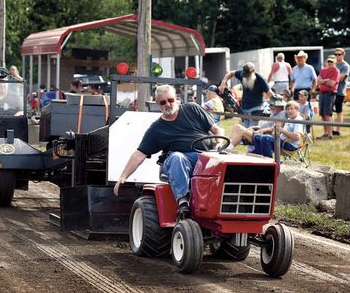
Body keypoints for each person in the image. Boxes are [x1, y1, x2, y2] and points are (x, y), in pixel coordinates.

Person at [113, 84, 225, 219]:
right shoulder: (156, 129)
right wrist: (123, 176)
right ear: (157, 104)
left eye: (170, 100)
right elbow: (139, 154)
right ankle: (183, 202)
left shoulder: (192, 109)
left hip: (206, 157)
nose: (167, 104)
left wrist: (219, 144)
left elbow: (218, 130)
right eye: (163, 102)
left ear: (176, 98)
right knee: (177, 157)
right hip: (179, 161)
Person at [219, 62, 275, 128]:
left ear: (253, 71)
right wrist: (223, 83)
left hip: (256, 108)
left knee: (251, 131)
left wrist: (275, 102)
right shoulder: (242, 74)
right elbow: (231, 73)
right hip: (244, 109)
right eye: (245, 75)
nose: (246, 77)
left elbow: (270, 93)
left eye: (248, 75)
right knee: (244, 130)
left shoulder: (260, 80)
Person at [316, 54, 340, 140]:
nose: (329, 63)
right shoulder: (323, 70)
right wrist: (326, 80)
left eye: (331, 61)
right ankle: (325, 133)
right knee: (322, 114)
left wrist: (323, 81)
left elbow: (332, 83)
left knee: (328, 114)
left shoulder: (336, 71)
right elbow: (317, 80)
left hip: (330, 94)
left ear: (335, 62)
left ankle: (330, 134)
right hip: (322, 93)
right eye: (328, 61)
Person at [333, 48, 349, 136]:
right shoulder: (333, 64)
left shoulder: (345, 66)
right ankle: (331, 129)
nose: (337, 56)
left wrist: (330, 79)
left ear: (343, 55)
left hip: (340, 92)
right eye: (336, 54)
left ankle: (337, 130)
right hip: (331, 91)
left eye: (339, 54)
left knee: (339, 111)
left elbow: (340, 78)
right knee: (330, 112)